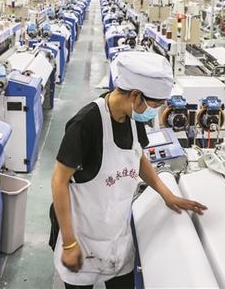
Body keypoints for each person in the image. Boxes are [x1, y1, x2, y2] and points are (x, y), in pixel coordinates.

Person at [50, 51, 207, 289]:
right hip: (82, 238)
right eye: (154, 104)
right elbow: (58, 181)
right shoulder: (86, 124)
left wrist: (167, 195)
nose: (154, 111)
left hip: (117, 238)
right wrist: (69, 243)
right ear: (135, 95)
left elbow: (138, 156)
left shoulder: (133, 118)